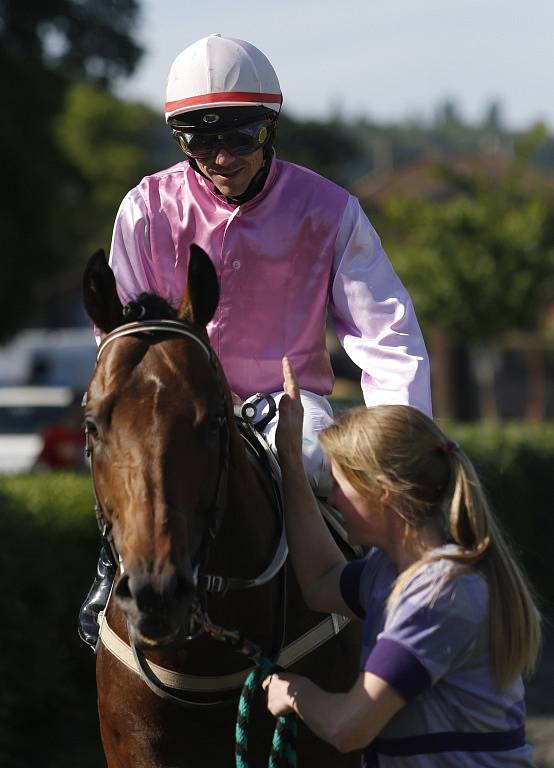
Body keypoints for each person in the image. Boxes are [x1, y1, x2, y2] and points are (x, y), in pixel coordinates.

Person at [79, 33, 432, 649]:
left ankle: (383, 608)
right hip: (174, 404)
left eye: (239, 137)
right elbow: (120, 340)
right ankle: (109, 571)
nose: (221, 157)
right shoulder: (143, 209)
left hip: (285, 403)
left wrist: (407, 453)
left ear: (269, 129)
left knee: (324, 466)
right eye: (200, 140)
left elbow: (388, 336)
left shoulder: (330, 210)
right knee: (128, 459)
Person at [263, 357, 541, 767]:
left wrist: (293, 692)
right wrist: (289, 460)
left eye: (340, 484)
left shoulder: (436, 594)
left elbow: (348, 728)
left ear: (383, 493)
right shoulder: (392, 572)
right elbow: (320, 581)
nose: (334, 498)